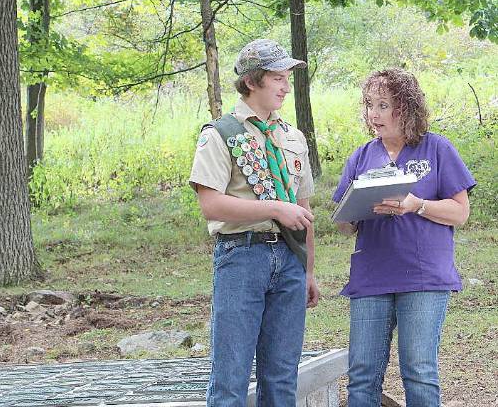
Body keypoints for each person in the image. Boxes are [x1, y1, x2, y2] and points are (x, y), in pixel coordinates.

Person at [333, 68, 476, 407]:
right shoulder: (362, 156)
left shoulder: (437, 148)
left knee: (419, 371)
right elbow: (342, 223)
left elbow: (460, 212)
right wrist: (356, 210)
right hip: (371, 277)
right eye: (369, 104)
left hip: (424, 276)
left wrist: (417, 205)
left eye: (383, 105)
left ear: (407, 108)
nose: (374, 114)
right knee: (362, 375)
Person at [189, 39, 320, 407]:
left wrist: (308, 270)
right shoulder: (221, 134)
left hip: (290, 260)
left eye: (286, 78)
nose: (285, 86)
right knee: (230, 376)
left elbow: (304, 210)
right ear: (252, 82)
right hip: (242, 257)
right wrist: (274, 209)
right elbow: (211, 204)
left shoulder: (292, 137)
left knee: (281, 376)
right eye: (277, 78)